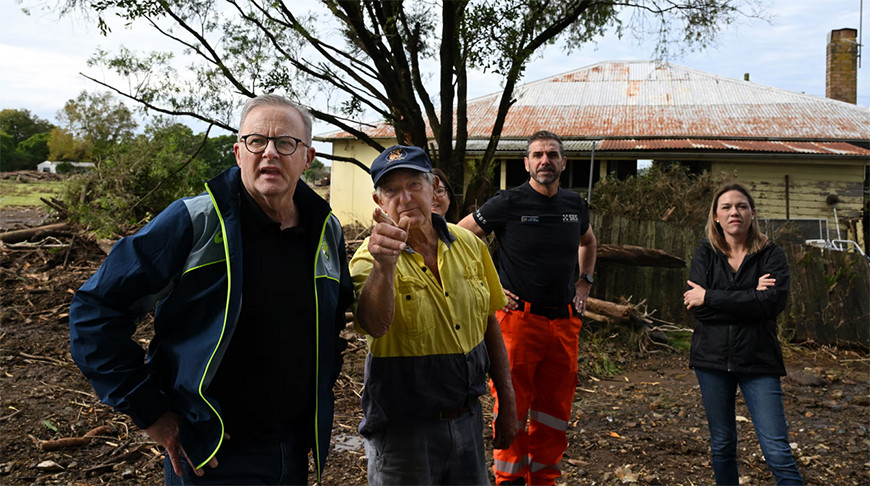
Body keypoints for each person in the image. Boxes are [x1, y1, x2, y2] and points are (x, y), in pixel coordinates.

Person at [69, 94, 353, 485]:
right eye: (257, 141)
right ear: (239, 153)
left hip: (293, 448)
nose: (270, 153)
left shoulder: (326, 231)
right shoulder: (195, 221)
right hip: (211, 454)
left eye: (286, 143)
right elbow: (95, 308)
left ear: (307, 157)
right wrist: (150, 411)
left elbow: (332, 327)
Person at [351, 145, 519, 485]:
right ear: (378, 201)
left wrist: (508, 402)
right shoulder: (369, 260)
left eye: (414, 184)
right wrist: (385, 267)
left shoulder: (469, 244)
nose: (406, 198)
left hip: (468, 420)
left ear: (434, 188)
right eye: (391, 190)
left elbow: (488, 322)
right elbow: (374, 325)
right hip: (402, 433)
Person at [458, 130, 597, 486]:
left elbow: (589, 240)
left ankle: (544, 479)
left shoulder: (574, 205)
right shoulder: (507, 203)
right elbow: (460, 236)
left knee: (554, 414)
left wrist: (585, 281)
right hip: (518, 323)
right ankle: (510, 481)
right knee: (512, 408)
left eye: (552, 154)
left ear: (563, 163)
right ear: (526, 163)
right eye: (537, 155)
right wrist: (489, 287)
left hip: (565, 325)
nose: (544, 161)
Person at [684, 183, 804, 485]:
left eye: (741, 206)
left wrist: (711, 296)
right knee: (722, 445)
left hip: (758, 360)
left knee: (776, 449)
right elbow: (696, 308)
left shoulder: (771, 255)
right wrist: (750, 295)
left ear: (752, 213)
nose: (734, 212)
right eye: (726, 207)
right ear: (716, 216)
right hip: (711, 361)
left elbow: (771, 304)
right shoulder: (705, 253)